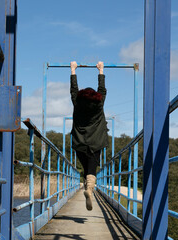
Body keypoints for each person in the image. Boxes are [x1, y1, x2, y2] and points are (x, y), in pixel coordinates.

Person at [70, 61, 109, 211]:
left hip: (79, 142)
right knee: (92, 168)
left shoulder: (77, 104)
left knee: (86, 168)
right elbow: (102, 90)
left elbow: (73, 90)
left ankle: (88, 187)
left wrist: (73, 70)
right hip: (96, 141)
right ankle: (90, 189)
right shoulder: (99, 105)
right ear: (97, 97)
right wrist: (101, 70)